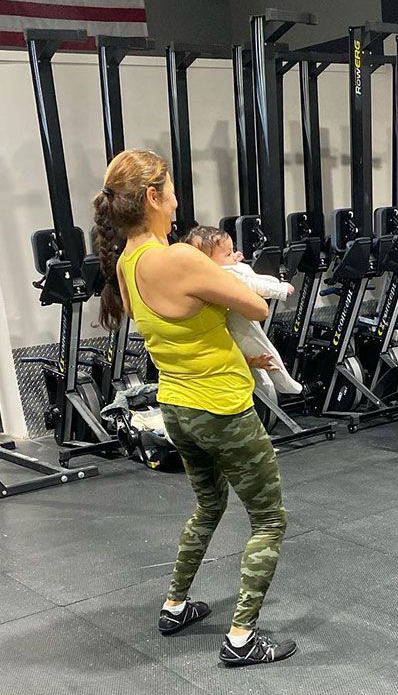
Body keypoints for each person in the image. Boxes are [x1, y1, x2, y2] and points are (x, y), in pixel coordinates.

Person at [92, 149, 296, 667]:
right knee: (269, 520)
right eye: (173, 190)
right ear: (154, 197)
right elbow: (257, 306)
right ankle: (242, 639)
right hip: (223, 408)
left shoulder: (127, 263)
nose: (178, 200)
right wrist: (223, 274)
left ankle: (175, 606)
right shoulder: (179, 258)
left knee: (208, 506)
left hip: (178, 409)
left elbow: (181, 323)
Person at [185, 225, 303, 403]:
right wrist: (280, 289)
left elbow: (250, 278)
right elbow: (252, 285)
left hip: (236, 321)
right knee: (262, 350)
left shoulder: (221, 269)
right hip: (234, 324)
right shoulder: (219, 274)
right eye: (227, 254)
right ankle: (285, 384)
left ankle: (274, 386)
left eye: (232, 251)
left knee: (260, 355)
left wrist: (233, 260)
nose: (234, 255)